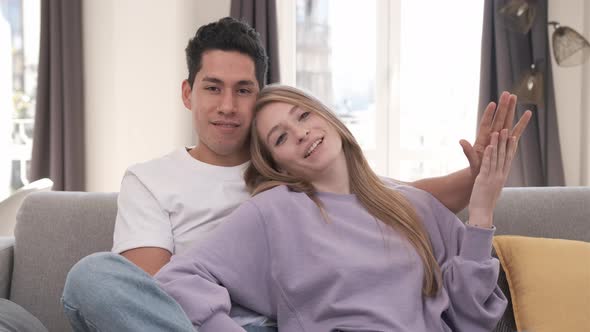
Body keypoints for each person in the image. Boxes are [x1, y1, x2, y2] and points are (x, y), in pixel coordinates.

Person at [61, 17, 531, 331]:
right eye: (212, 88)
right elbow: (157, 292)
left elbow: (384, 198)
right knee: (94, 277)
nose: (227, 105)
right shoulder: (253, 202)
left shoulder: (343, 190)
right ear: (189, 94)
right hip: (217, 321)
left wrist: (480, 192)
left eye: (243, 90)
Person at [155, 84, 517, 331]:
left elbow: (471, 320)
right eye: (280, 137)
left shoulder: (414, 206)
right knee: (101, 274)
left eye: (303, 116)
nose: (300, 133)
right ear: (278, 165)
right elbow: (178, 278)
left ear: (327, 117)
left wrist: (482, 209)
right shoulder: (275, 212)